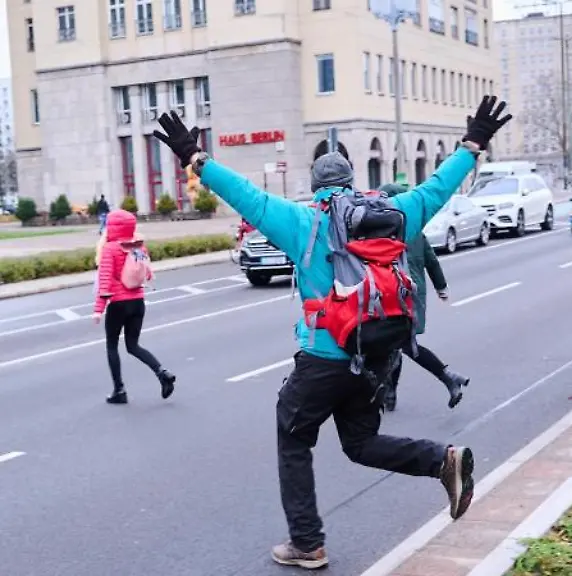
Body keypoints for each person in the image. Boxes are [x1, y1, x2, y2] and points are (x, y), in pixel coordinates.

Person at [152, 98, 510, 570]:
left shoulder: (303, 221)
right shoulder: (397, 213)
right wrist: (473, 145)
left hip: (323, 359)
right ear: (351, 183)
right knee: (361, 444)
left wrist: (194, 157)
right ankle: (441, 460)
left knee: (293, 436)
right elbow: (438, 187)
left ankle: (307, 543)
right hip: (376, 357)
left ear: (316, 186)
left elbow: (244, 195)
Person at [378, 184, 469, 412]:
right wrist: (441, 287)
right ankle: (391, 392)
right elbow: (431, 259)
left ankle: (446, 378)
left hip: (397, 297)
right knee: (399, 345)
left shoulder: (386, 229)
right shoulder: (415, 229)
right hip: (411, 297)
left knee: (399, 345)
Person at [93, 209, 176, 404]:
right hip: (138, 302)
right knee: (133, 345)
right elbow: (146, 275)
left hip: (118, 304)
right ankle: (162, 372)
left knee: (112, 346)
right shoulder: (139, 247)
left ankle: (119, 390)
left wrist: (98, 309)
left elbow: (104, 280)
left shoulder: (110, 248)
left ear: (112, 227)